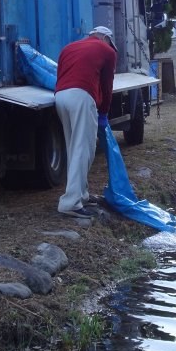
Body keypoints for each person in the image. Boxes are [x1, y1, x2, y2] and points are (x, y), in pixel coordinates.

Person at [54, 26, 117, 218]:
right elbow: (107, 85)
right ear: (105, 38)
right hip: (81, 96)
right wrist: (104, 112)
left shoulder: (69, 48)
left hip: (60, 97)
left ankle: (81, 194)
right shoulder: (108, 51)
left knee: (73, 147)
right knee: (84, 149)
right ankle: (71, 202)